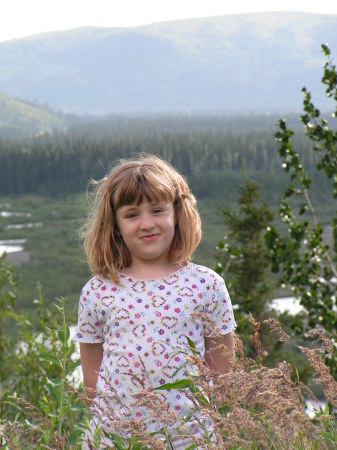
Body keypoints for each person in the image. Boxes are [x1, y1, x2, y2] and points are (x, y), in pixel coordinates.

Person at [75, 154, 236, 449]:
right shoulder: (98, 290)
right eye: (132, 214)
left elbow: (222, 370)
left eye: (158, 210)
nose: (146, 224)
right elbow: (91, 380)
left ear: (178, 213)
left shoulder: (206, 284)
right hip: (115, 439)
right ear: (115, 225)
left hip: (190, 438)